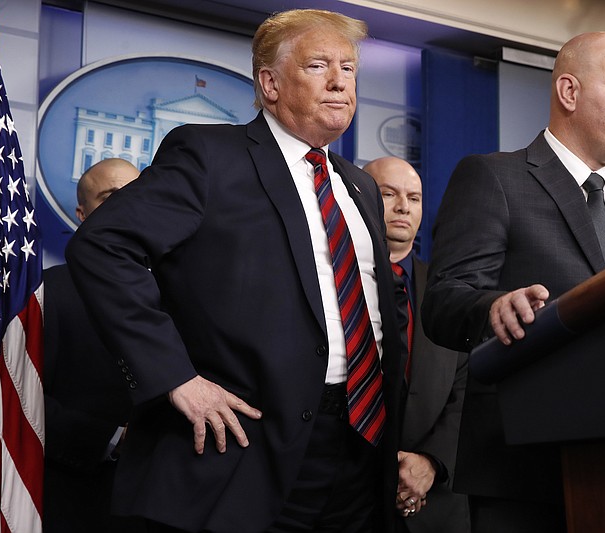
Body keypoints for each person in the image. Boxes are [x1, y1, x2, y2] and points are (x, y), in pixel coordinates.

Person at [65, 9, 405, 533]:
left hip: (361, 449)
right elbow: (102, 246)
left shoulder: (359, 187)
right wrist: (172, 376)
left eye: (349, 68)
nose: (340, 81)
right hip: (243, 456)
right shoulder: (208, 156)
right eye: (319, 65)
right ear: (269, 83)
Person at [421, 31, 605, 533]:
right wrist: (494, 308)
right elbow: (444, 301)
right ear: (569, 93)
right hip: (522, 466)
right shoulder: (494, 178)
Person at [363, 156, 471, 532]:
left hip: (434, 502)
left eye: (414, 197)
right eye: (388, 193)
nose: (403, 206)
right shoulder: (332, 283)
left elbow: (468, 388)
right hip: (346, 496)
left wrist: (430, 461)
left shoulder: (451, 294)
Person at [43, 158, 146, 533]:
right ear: (82, 214)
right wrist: (112, 440)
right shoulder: (45, 293)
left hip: (165, 509)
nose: (125, 204)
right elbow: (21, 399)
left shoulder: (189, 296)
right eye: (109, 197)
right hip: (77, 504)